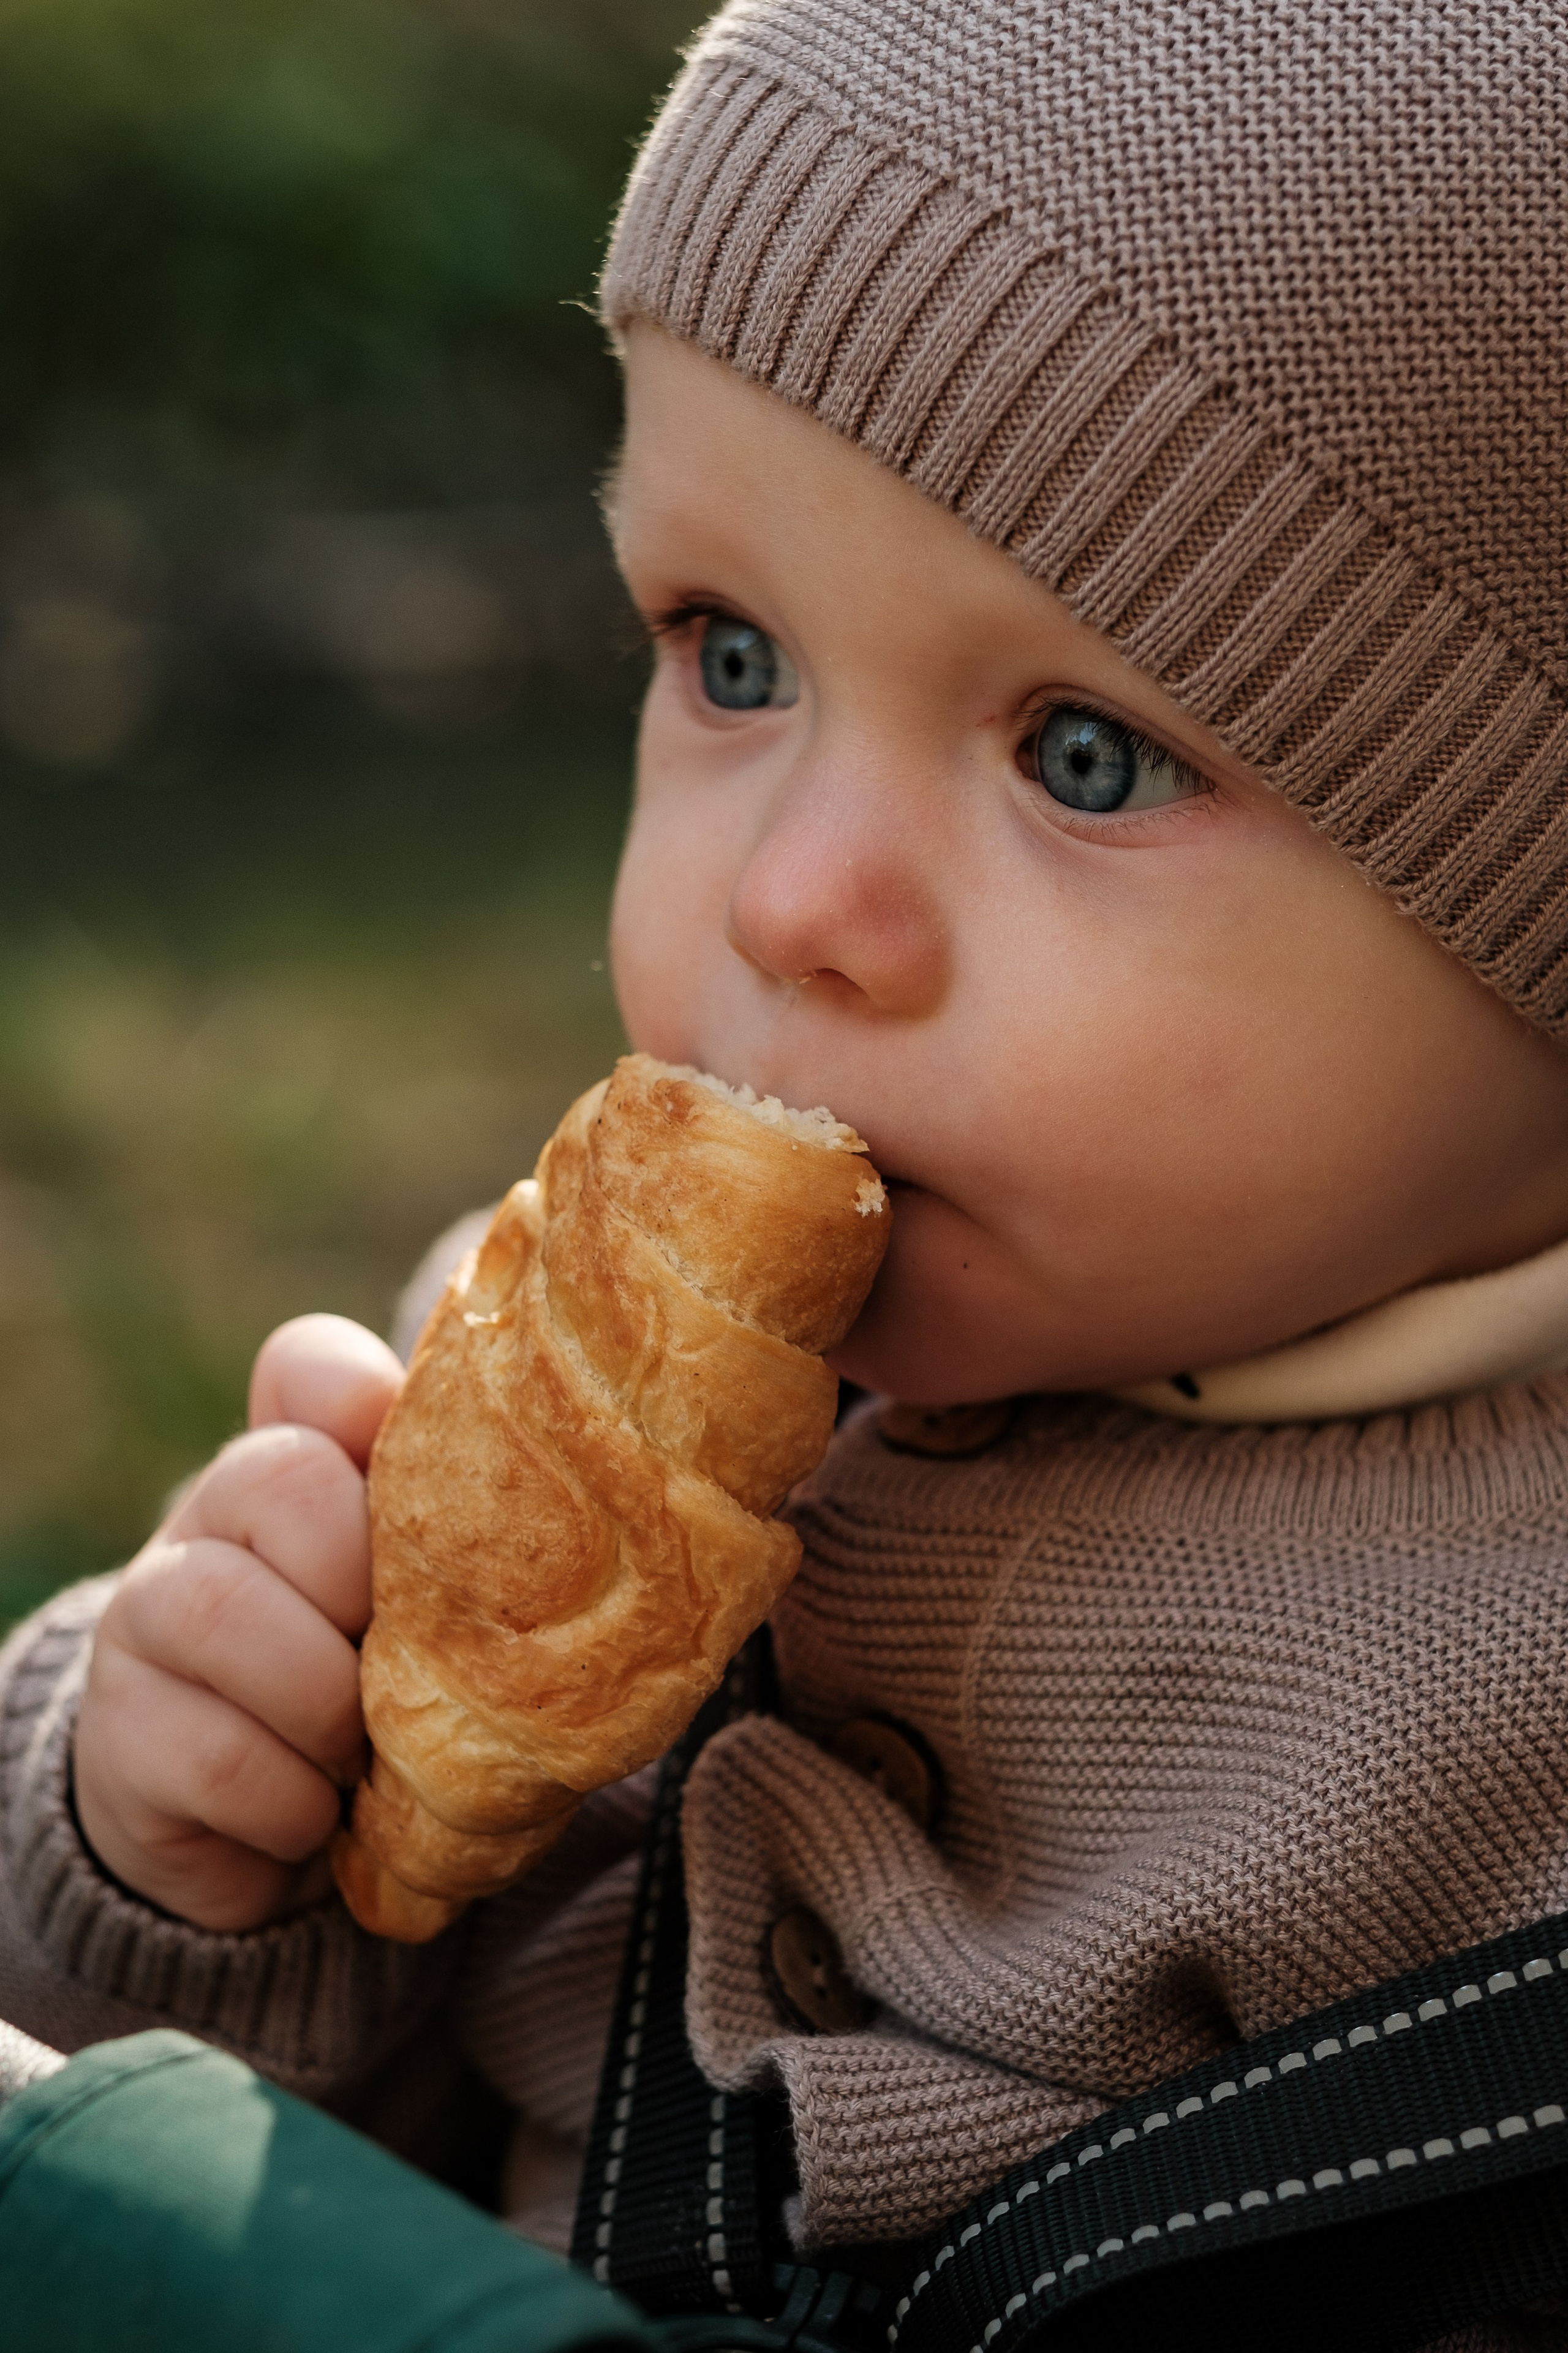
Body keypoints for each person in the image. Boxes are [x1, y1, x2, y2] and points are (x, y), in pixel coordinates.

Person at [2, 1, 1566, 2341]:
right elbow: (165, 2161)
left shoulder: (1506, 1699)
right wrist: (182, 1841)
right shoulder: (555, 1400)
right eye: (728, 652)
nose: (789, 901)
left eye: (1085, 755)